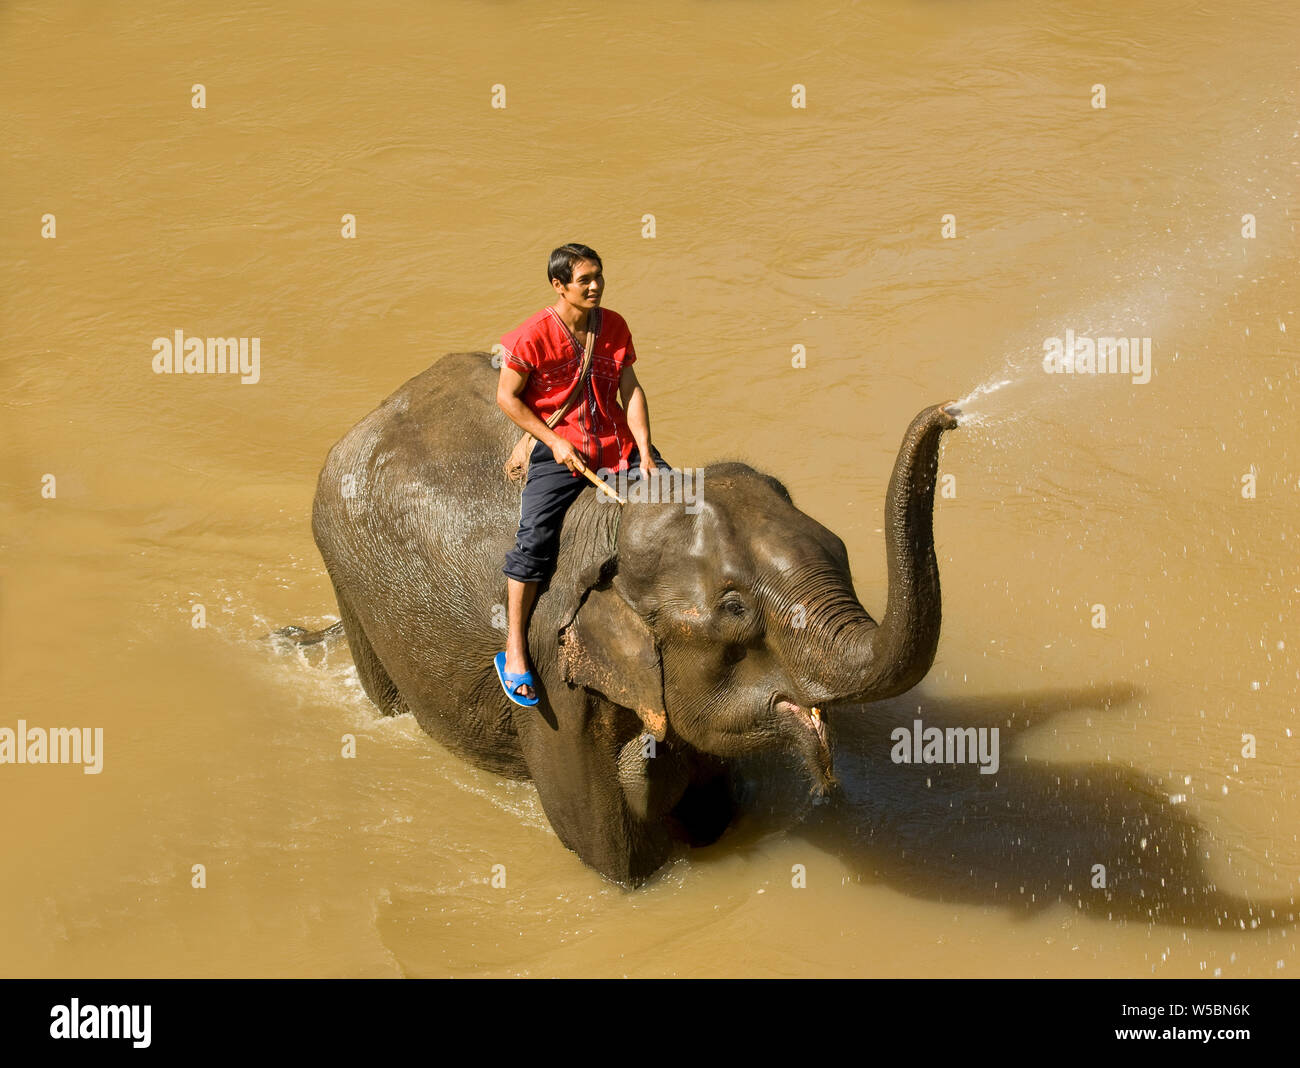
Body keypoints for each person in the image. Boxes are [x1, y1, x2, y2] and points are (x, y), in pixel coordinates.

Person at [494, 243, 670, 705]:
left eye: (599, 276)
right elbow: (507, 398)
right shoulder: (530, 336)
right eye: (584, 279)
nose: (595, 286)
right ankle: (514, 648)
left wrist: (646, 454)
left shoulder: (613, 325)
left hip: (616, 444)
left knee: (679, 500)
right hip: (561, 447)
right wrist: (552, 441)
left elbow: (630, 389)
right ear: (559, 285)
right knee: (534, 539)